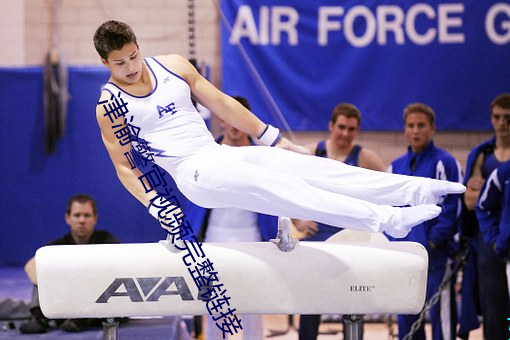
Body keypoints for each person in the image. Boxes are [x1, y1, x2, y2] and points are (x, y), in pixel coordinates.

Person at [93, 20, 464, 247]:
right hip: (193, 174)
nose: (129, 67)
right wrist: (159, 207)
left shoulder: (172, 65)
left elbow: (222, 103)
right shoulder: (109, 106)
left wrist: (273, 138)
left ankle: (413, 189)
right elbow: (126, 168)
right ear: (105, 63)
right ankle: (387, 220)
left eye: (133, 56)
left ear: (139, 46)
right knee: (287, 191)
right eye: (119, 63)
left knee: (310, 168)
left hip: (219, 155)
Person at [185, 96, 278, 339]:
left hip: (254, 239)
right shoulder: (205, 155)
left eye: (240, 120)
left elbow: (276, 199)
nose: (235, 126)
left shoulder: (263, 160)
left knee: (252, 307)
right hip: (213, 239)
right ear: (221, 121)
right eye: (229, 119)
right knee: (215, 306)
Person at [295, 102, 386, 340]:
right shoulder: (311, 152)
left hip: (351, 240)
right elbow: (285, 189)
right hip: (317, 235)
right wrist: (297, 219)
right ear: (331, 126)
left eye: (351, 129)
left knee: (353, 301)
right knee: (310, 302)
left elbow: (389, 192)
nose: (345, 134)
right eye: (341, 127)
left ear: (357, 131)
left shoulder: (365, 158)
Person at [387, 103, 462, 340]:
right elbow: (388, 209)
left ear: (432, 129)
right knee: (407, 321)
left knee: (442, 320)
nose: (416, 131)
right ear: (405, 130)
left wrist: (432, 241)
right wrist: (395, 243)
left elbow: (452, 209)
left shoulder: (445, 163)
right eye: (411, 126)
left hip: (436, 257)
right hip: (405, 259)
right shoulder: (395, 167)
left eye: (421, 125)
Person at [19, 194, 120, 334]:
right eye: (77, 215)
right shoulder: (57, 246)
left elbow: (118, 270)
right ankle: (38, 318)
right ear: (68, 218)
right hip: (65, 297)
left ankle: (80, 319)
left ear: (95, 218)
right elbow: (31, 266)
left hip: (96, 301)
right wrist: (60, 283)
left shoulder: (108, 242)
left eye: (87, 215)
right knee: (42, 270)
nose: (82, 221)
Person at [460, 93, 510, 340]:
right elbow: (469, 202)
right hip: (489, 238)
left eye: (507, 118)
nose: (502, 123)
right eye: (497, 117)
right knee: (493, 304)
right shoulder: (482, 154)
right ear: (491, 119)